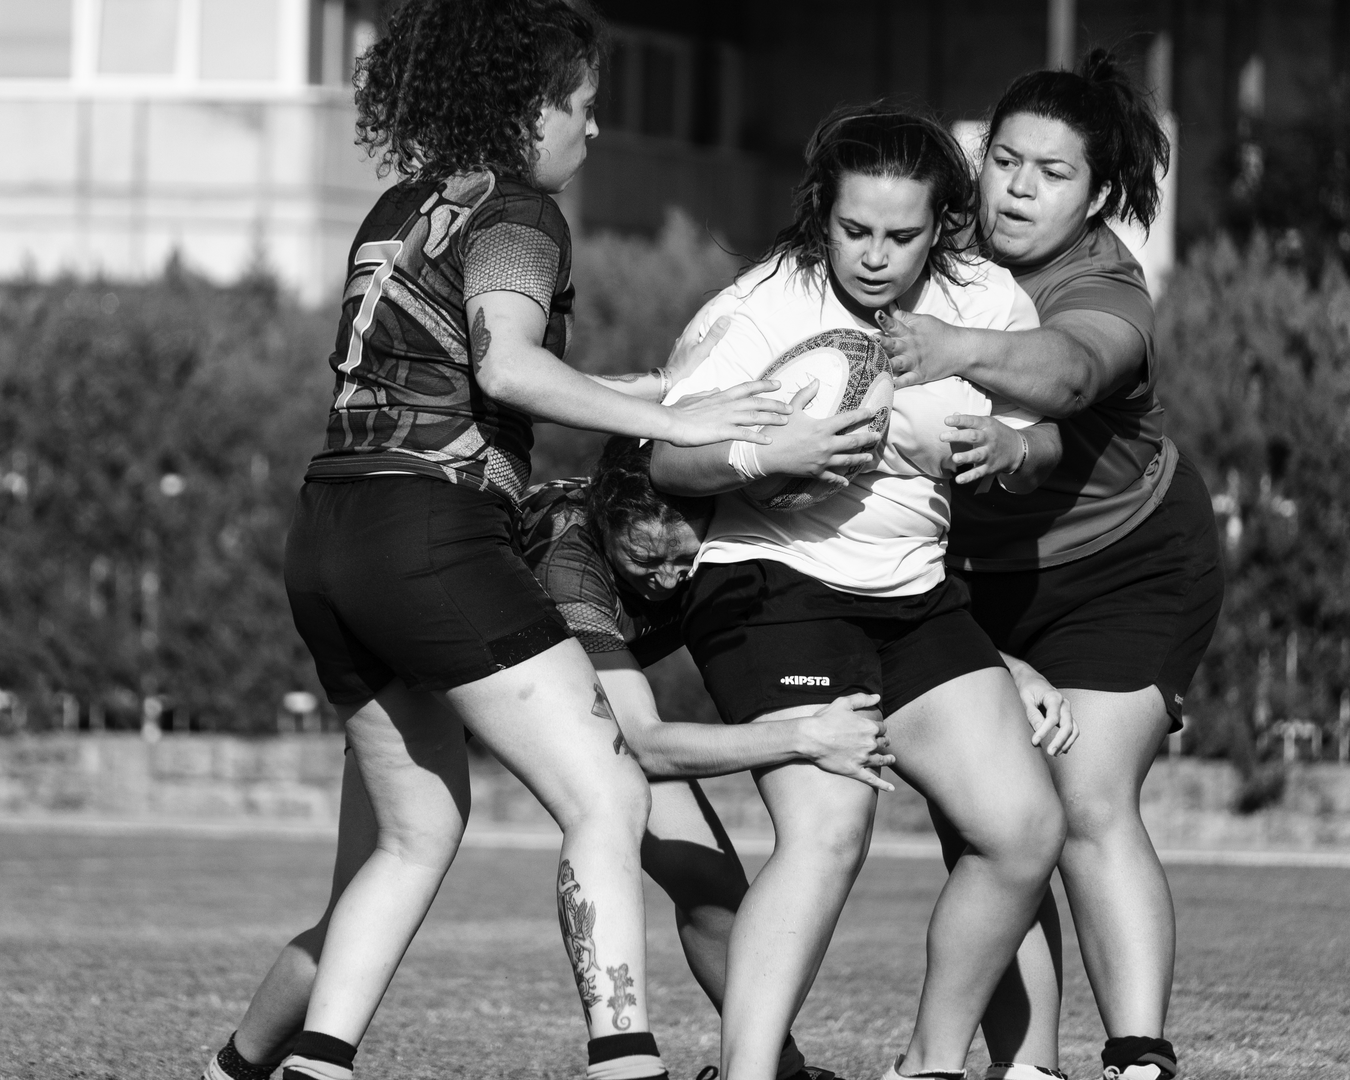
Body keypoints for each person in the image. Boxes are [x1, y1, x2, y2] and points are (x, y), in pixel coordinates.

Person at [244, 4, 793, 1080]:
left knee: (413, 834)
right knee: (610, 792)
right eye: (582, 108)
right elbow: (504, 367)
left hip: (330, 538)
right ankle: (626, 1059)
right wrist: (680, 425)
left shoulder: (406, 206)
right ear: (526, 105)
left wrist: (667, 389)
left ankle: (310, 1062)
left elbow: (453, 372)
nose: (590, 132)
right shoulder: (522, 211)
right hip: (429, 536)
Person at [199, 436, 890, 1080]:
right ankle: (235, 1068)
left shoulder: (712, 527)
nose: (669, 581)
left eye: (684, 559)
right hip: (426, 683)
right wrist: (803, 735)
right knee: (361, 908)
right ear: (606, 518)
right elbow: (641, 742)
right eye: (645, 560)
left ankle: (776, 1067)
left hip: (522, 677)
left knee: (706, 877)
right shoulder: (570, 560)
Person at [649, 106, 1077, 1080]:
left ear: (942, 227)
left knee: (1023, 831)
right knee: (830, 827)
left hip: (913, 594)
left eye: (902, 235)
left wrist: (1008, 450)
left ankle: (927, 1064)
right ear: (821, 215)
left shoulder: (983, 301)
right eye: (854, 231)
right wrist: (768, 451)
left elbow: (1045, 428)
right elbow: (669, 465)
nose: (875, 256)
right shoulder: (761, 306)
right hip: (770, 585)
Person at [876, 52, 1224, 1080]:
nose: (1020, 189)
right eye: (1006, 161)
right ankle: (1028, 1068)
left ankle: (1139, 1057)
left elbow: (1068, 371)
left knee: (1082, 797)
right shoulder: (933, 256)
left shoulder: (1103, 282)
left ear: (1097, 193)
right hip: (981, 585)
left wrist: (952, 347)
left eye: (1053, 172)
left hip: (1129, 565)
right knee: (996, 824)